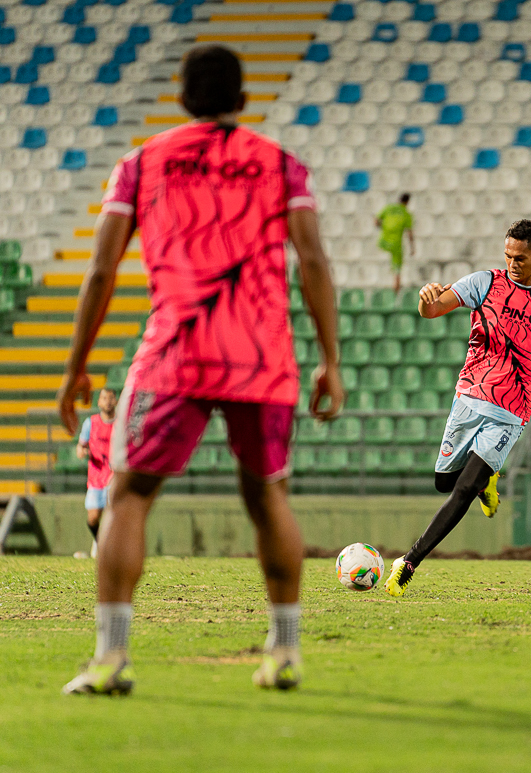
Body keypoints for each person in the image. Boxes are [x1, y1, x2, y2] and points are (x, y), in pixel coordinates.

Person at [58, 45, 345, 696]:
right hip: (261, 352)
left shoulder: (139, 165)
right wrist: (330, 359)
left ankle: (110, 657)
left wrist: (76, 367)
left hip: (175, 352)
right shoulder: (280, 165)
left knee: (129, 494)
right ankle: (285, 652)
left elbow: (101, 269)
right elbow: (314, 261)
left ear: (181, 98)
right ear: (243, 101)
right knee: (267, 494)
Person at [384, 219, 531, 597]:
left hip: (513, 409)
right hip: (471, 397)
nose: (513, 263)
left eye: (521, 257)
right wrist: (425, 296)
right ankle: (489, 479)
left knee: (464, 490)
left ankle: (409, 562)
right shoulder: (485, 282)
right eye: (508, 255)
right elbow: (432, 311)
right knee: (445, 483)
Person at [76, 387, 117, 559]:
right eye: (104, 398)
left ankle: (111, 550)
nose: (107, 401)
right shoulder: (90, 423)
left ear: (115, 401)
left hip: (114, 478)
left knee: (113, 518)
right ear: (99, 402)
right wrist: (82, 451)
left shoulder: (120, 424)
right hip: (96, 478)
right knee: (93, 518)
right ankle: (99, 541)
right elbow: (81, 446)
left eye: (110, 398)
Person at [375, 193, 415, 294]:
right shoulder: (406, 213)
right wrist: (412, 248)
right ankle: (396, 291)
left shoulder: (389, 208)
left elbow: (376, 221)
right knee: (397, 269)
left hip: (383, 242)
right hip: (396, 244)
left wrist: (384, 228)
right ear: (407, 202)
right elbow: (409, 232)